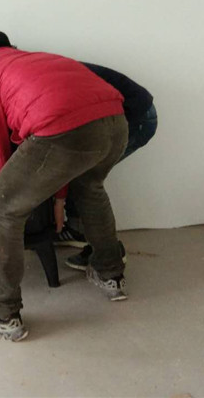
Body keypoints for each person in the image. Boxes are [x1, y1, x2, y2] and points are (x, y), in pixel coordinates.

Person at [0, 31, 128, 342]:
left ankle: (1, 313)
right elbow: (64, 148)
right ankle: (111, 274)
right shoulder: (40, 59)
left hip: (65, 130)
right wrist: (59, 199)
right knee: (90, 187)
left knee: (1, 206)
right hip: (116, 123)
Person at [54, 64, 158, 270]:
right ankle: (77, 231)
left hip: (136, 115)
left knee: (86, 180)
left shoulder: (43, 81)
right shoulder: (38, 70)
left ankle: (108, 253)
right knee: (81, 175)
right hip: (120, 110)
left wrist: (59, 199)